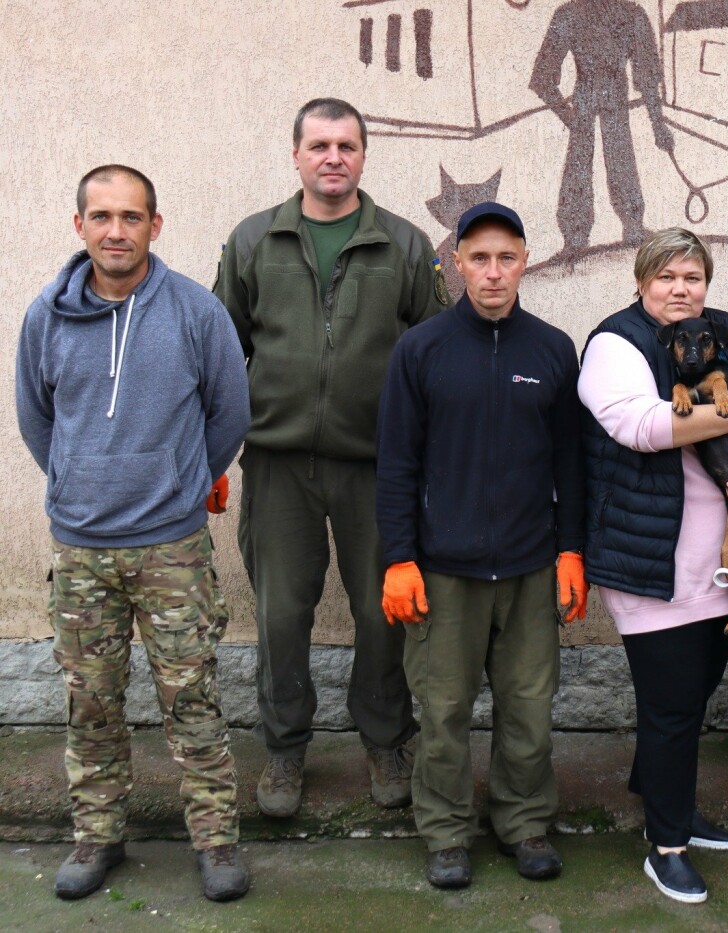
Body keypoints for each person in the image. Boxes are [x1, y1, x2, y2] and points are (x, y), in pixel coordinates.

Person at [16, 165, 252, 902]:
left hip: (171, 548)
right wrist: (79, 481)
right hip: (82, 548)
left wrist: (181, 484)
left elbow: (230, 414)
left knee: (193, 700)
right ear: (79, 225)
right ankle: (97, 835)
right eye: (101, 216)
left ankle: (215, 842)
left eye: (131, 216)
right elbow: (36, 418)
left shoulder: (195, 312)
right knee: (92, 701)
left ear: (156, 224)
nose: (116, 230)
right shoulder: (44, 318)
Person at [214, 97, 446, 818]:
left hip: (375, 465)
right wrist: (216, 452)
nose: (333, 157)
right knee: (283, 614)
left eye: (346, 144)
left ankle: (384, 739)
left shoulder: (403, 246)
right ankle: (283, 749)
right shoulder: (254, 240)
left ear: (363, 155)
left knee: (385, 612)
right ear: (296, 154)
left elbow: (432, 355)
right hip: (278, 463)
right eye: (319, 145)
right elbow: (224, 353)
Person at [578, 227, 728, 904]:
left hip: (727, 554)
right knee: (671, 705)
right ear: (642, 279)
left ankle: (666, 797)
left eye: (692, 277)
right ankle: (666, 843)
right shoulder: (614, 341)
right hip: (652, 555)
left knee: (694, 692)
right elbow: (639, 424)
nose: (680, 289)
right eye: (666, 276)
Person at [375, 202, 586, 889]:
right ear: (455, 262)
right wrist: (399, 557)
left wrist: (570, 551)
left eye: (506, 257)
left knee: (528, 704)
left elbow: (569, 462)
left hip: (529, 566)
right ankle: (443, 830)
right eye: (479, 258)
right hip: (443, 571)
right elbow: (397, 462)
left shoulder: (552, 349)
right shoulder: (422, 350)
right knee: (442, 710)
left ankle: (524, 820)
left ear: (524, 261)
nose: (493, 272)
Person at [529, 0, 674, 253]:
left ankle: (623, 227)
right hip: (594, 98)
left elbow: (648, 76)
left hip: (602, 98)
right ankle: (579, 235)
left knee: (611, 155)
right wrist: (569, 117)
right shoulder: (577, 15)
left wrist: (658, 125)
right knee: (588, 158)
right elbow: (541, 78)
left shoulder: (627, 15)